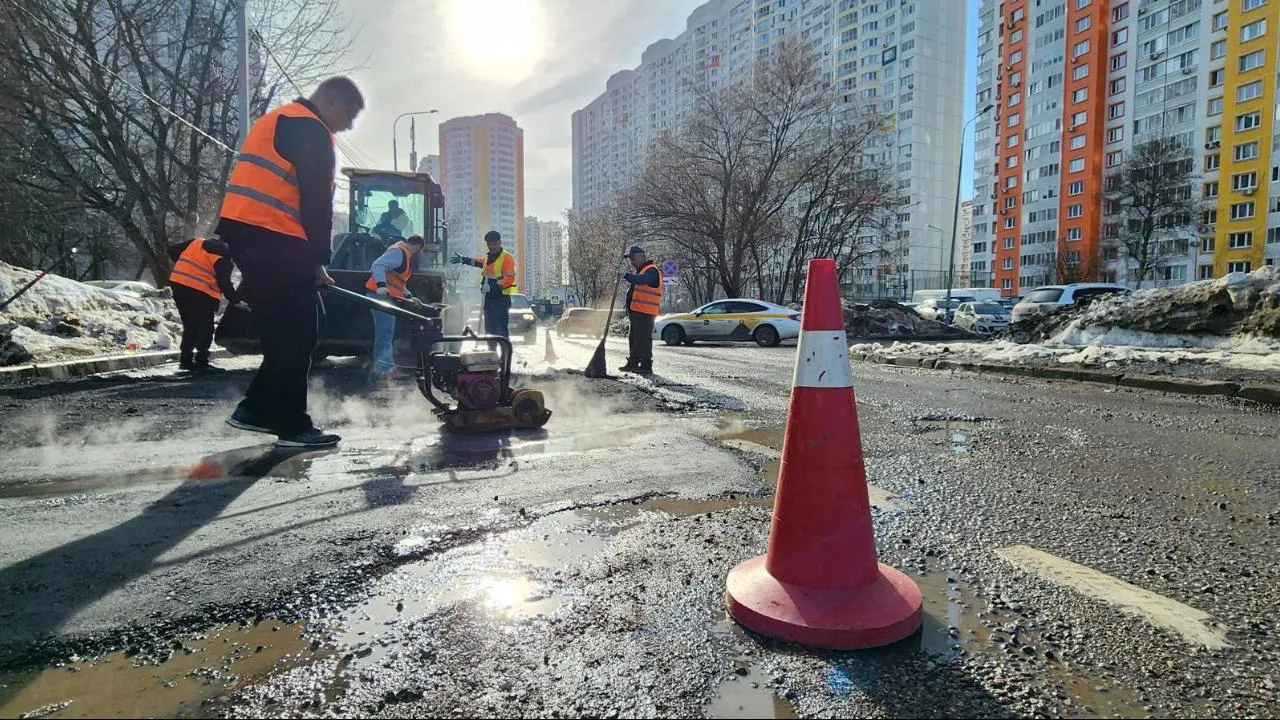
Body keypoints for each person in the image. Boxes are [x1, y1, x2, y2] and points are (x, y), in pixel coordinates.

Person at [217, 76, 364, 449]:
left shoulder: (279, 120)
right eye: (349, 114)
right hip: (276, 238)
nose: (349, 125)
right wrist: (318, 261)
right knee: (299, 330)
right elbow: (316, 204)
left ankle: (257, 409)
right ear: (330, 100)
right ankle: (290, 424)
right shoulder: (309, 129)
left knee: (294, 330)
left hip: (252, 238)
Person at [167, 236, 242, 373]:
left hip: (179, 285)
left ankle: (186, 360)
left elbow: (172, 251)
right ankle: (202, 362)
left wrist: (186, 267)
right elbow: (225, 284)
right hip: (201, 292)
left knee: (190, 325)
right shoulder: (223, 260)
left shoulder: (196, 242)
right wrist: (237, 301)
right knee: (205, 327)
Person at [365, 234, 426, 376]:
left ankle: (385, 368)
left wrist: (409, 296)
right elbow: (378, 265)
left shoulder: (402, 253)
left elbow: (397, 282)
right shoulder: (399, 252)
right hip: (379, 295)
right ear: (418, 247)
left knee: (386, 332)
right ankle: (384, 370)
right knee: (384, 333)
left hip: (386, 297)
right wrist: (381, 286)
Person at [449, 230, 516, 338]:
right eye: (489, 244)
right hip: (488, 299)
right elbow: (478, 262)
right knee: (489, 329)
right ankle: (492, 348)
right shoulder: (489, 257)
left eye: (494, 244)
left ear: (500, 242)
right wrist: (463, 259)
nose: (492, 247)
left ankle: (505, 348)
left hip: (501, 300)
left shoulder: (507, 258)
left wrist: (493, 286)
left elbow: (509, 279)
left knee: (501, 329)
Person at [620, 245, 662, 375]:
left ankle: (646, 365)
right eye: (630, 259)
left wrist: (626, 275)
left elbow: (643, 280)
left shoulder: (651, 271)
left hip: (646, 312)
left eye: (633, 258)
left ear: (642, 257)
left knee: (643, 339)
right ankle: (633, 362)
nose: (631, 262)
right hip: (637, 311)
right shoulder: (641, 271)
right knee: (634, 338)